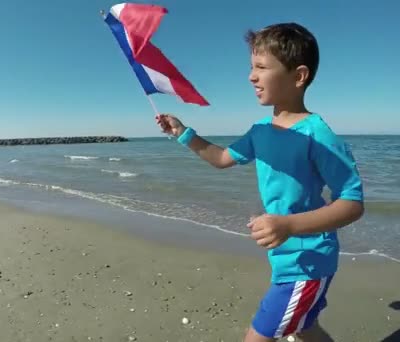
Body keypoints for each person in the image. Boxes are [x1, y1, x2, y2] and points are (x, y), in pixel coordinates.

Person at [155, 22, 364, 342]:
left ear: (298, 76)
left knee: (257, 337)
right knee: (306, 328)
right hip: (286, 258)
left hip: (307, 262)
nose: (251, 76)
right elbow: (222, 158)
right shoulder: (260, 131)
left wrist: (288, 226)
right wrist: (183, 133)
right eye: (252, 67)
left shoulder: (318, 134)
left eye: (262, 67)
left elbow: (351, 202)